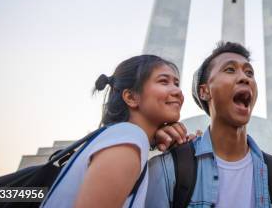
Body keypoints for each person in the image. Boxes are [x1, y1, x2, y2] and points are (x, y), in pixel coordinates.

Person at [147, 42, 272, 208]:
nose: (245, 78)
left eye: (249, 73)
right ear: (204, 91)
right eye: (230, 69)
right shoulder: (168, 168)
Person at [42, 54, 184, 208]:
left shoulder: (121, 137)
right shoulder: (128, 137)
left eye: (176, 83)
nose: (177, 91)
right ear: (130, 97)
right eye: (163, 81)